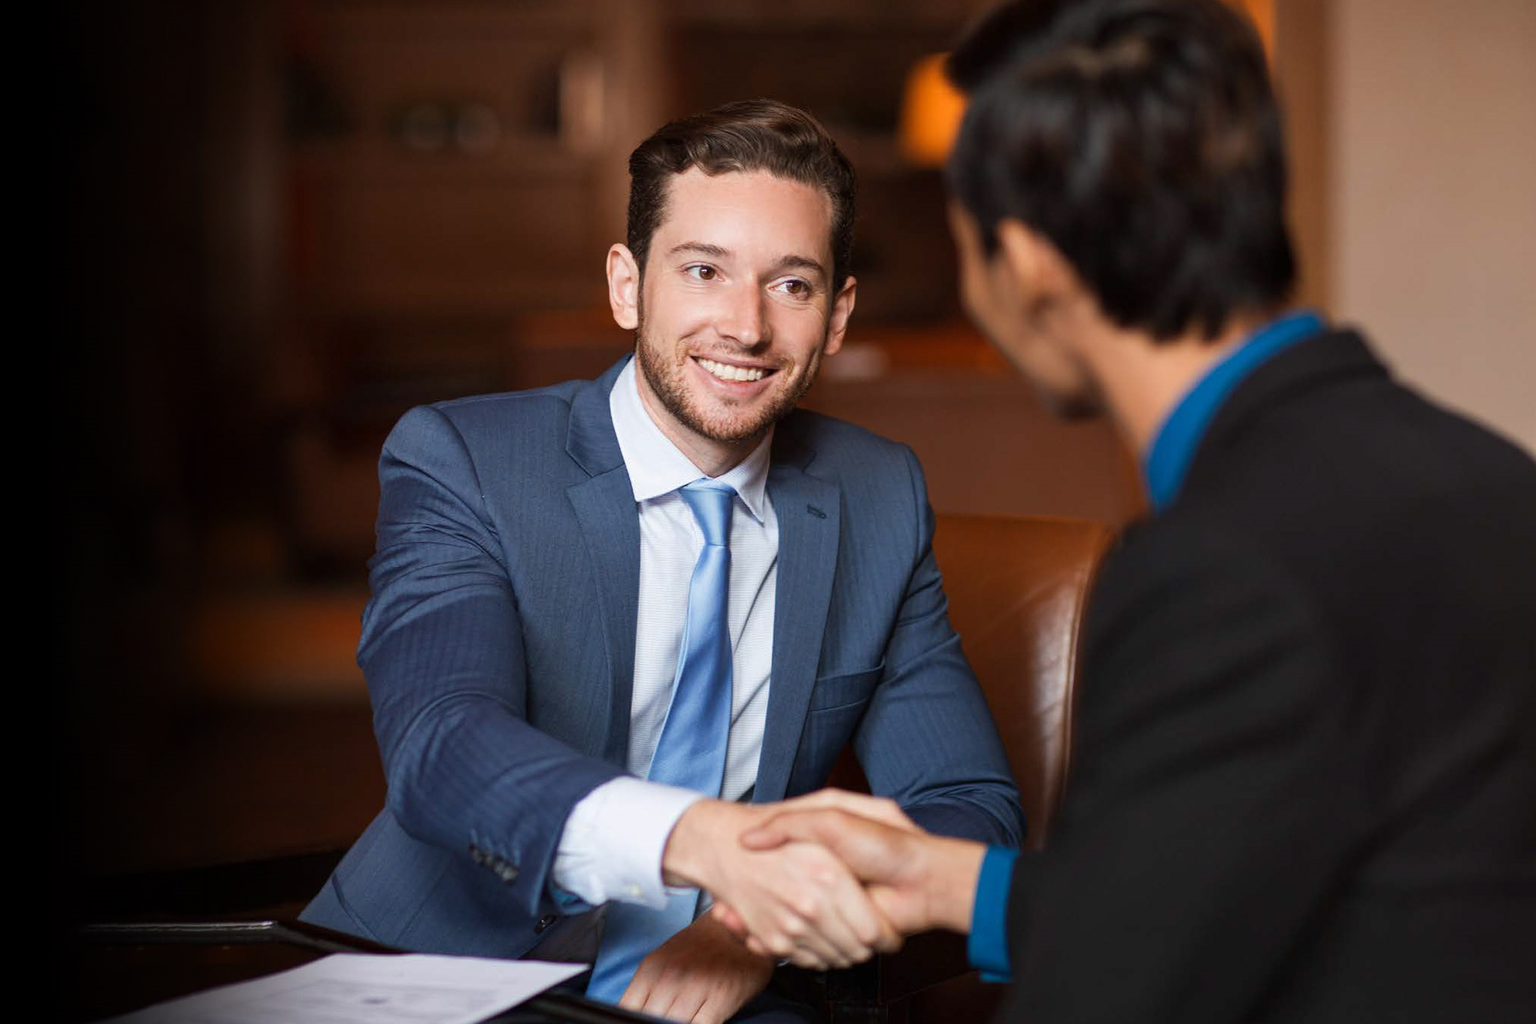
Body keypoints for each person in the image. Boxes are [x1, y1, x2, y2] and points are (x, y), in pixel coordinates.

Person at [726, 2, 1536, 1022]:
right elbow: (1276, 891)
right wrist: (950, 883)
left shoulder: (1220, 566)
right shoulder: (1491, 476)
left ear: (1026, 264)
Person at [298, 98, 1024, 1024]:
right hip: (445, 972)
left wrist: (750, 927)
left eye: (792, 285)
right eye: (703, 270)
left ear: (838, 315)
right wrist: (703, 841)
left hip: (732, 993)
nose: (746, 326)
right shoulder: (465, 462)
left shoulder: (881, 495)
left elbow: (968, 807)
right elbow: (442, 745)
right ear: (628, 285)